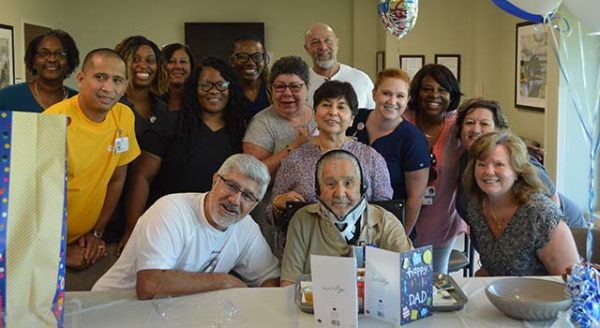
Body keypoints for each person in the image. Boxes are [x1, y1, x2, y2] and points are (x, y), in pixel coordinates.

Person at [92, 154, 280, 299]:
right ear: (215, 179)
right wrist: (224, 281)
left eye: (248, 196)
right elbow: (149, 284)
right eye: (231, 186)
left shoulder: (246, 228)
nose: (235, 200)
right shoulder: (172, 210)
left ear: (255, 205)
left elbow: (271, 279)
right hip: (113, 309)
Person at [122, 57, 246, 251]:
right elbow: (142, 176)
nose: (214, 91)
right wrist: (132, 228)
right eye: (205, 85)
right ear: (194, 89)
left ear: (231, 89)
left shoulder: (240, 130)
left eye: (221, 84)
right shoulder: (170, 123)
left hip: (218, 230)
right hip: (169, 224)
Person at [43, 48, 140, 290]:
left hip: (84, 238)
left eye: (117, 80)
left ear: (125, 86)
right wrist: (59, 253)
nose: (108, 88)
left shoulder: (123, 116)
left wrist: (97, 232)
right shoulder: (53, 121)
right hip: (43, 247)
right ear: (81, 79)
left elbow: (117, 178)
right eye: (100, 77)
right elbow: (28, 201)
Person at [269, 80, 393, 257]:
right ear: (315, 114)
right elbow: (270, 215)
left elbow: (386, 211)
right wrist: (278, 204)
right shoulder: (295, 159)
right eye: (326, 105)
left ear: (351, 119)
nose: (333, 112)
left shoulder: (371, 158)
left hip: (361, 255)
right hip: (306, 254)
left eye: (341, 107)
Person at [280, 150, 412, 286]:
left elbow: (409, 279)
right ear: (318, 189)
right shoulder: (302, 220)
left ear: (361, 186)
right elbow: (289, 285)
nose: (340, 193)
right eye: (330, 184)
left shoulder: (386, 222)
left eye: (348, 183)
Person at [455, 98, 586, 228]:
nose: (475, 129)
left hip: (566, 228)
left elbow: (552, 202)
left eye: (484, 124)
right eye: (469, 123)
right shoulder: (465, 159)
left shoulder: (517, 157)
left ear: (498, 130)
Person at [462, 131, 579, 276]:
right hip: (502, 295)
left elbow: (572, 284)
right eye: (482, 164)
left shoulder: (541, 215)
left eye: (499, 164)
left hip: (543, 296)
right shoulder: (476, 207)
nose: (489, 172)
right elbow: (493, 268)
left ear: (517, 171)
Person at [347, 68, 430, 236]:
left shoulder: (413, 139)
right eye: (386, 93)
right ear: (374, 94)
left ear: (407, 101)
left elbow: (416, 198)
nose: (392, 101)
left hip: (391, 227)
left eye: (400, 96)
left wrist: (401, 239)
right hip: (348, 221)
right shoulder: (354, 119)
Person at [404, 64, 468, 274]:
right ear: (417, 92)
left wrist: (519, 146)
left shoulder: (459, 125)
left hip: (442, 219)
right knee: (404, 280)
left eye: (442, 90)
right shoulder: (402, 122)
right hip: (403, 220)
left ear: (451, 95)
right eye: (427, 89)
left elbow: (488, 136)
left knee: (437, 281)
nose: (434, 95)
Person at [243, 56, 316, 178]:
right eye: (280, 87)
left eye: (294, 87)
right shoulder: (261, 123)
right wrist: (294, 147)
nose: (287, 93)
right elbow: (252, 174)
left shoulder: (320, 116)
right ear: (271, 89)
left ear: (307, 88)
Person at [0, 29, 79, 112]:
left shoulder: (80, 102)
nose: (52, 59)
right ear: (33, 60)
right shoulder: (6, 98)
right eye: (44, 53)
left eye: (59, 54)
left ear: (69, 61)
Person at [304, 23, 375, 109]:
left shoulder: (361, 80)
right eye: (315, 42)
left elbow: (375, 118)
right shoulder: (300, 84)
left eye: (327, 40)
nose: (323, 47)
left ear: (337, 42)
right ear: (307, 49)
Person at [114, 35, 169, 137]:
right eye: (135, 60)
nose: (143, 66)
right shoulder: (111, 105)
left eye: (150, 61)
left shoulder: (163, 108)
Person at [230, 34, 271, 122]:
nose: (251, 63)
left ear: (264, 60)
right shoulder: (226, 92)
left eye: (257, 57)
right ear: (232, 60)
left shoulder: (273, 90)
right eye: (243, 57)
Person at [161, 43, 195, 111]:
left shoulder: (200, 101)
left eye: (183, 62)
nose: (178, 66)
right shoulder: (151, 102)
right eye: (171, 61)